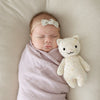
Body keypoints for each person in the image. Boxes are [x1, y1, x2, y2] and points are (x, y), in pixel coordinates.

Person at [17, 12, 69, 100]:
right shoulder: (30, 53)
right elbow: (26, 74)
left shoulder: (62, 51)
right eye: (41, 37)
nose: (48, 40)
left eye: (54, 36)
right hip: (30, 95)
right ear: (31, 37)